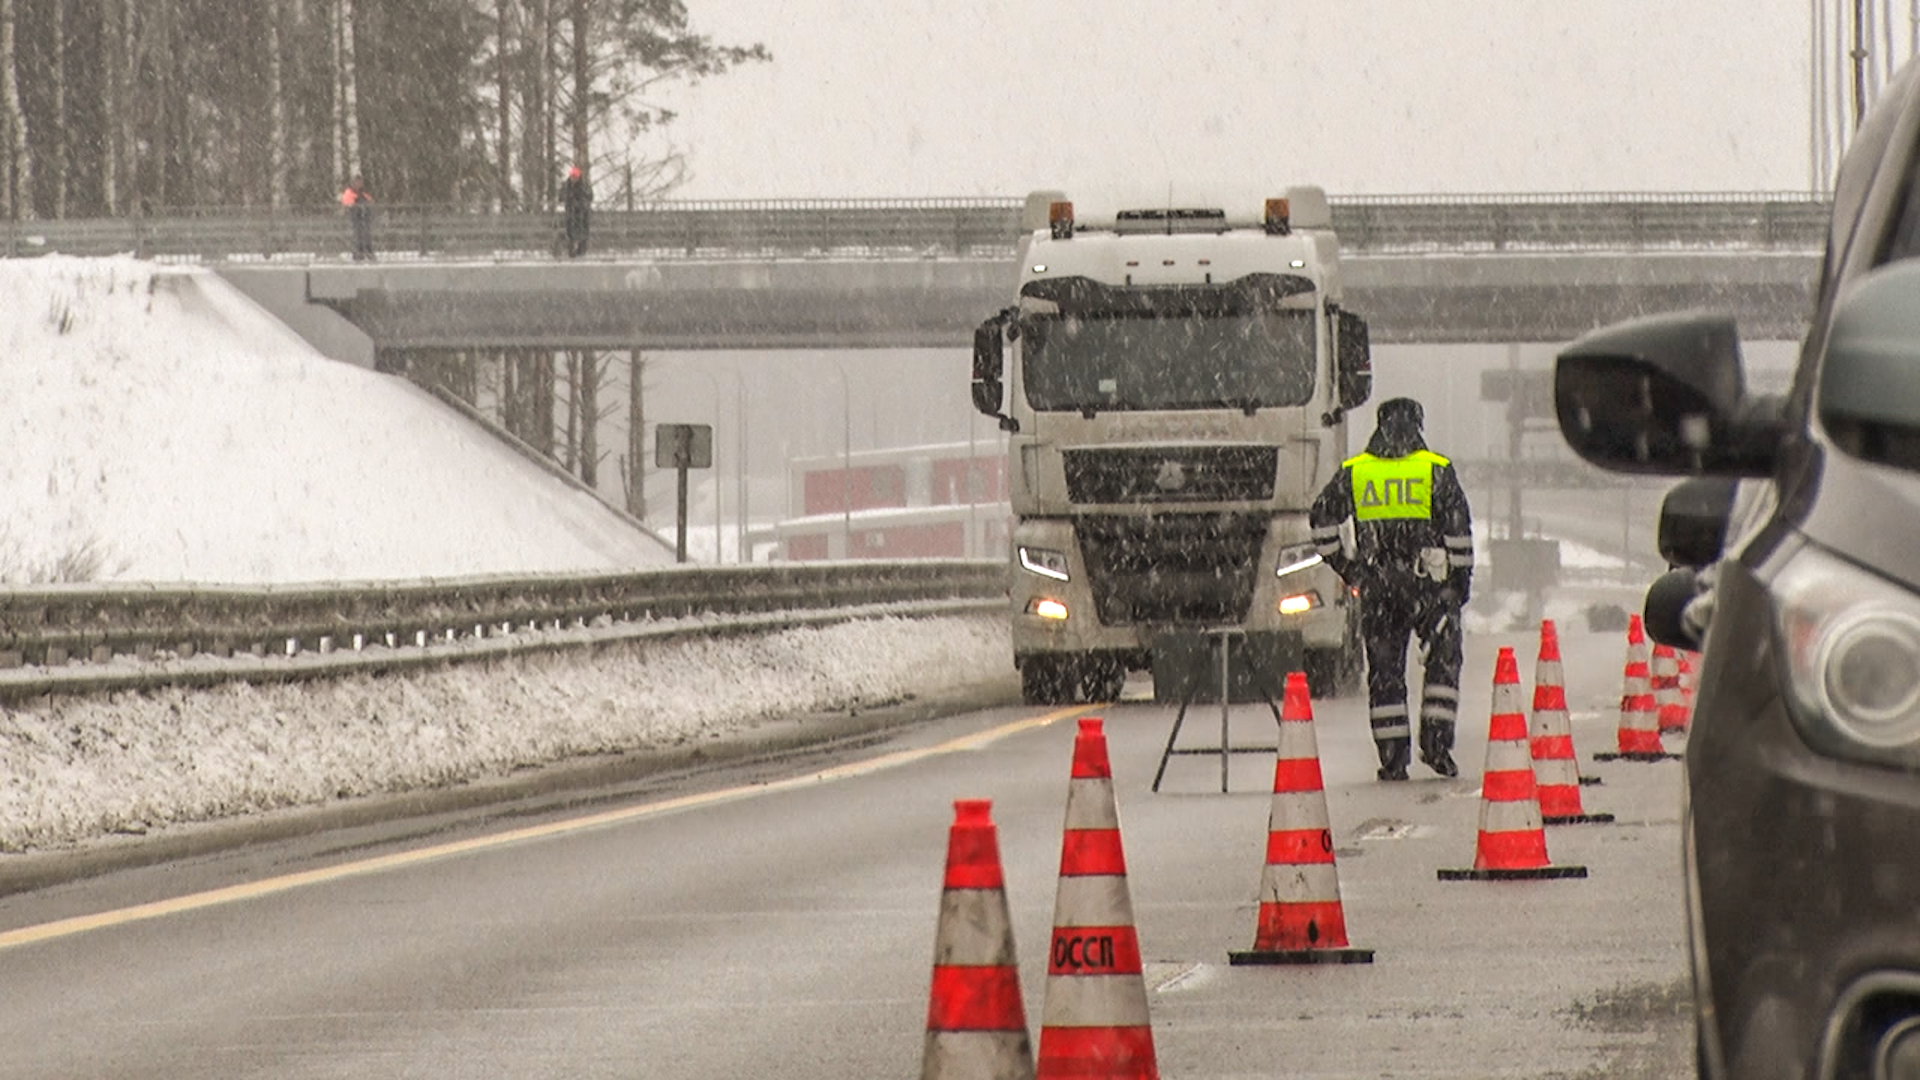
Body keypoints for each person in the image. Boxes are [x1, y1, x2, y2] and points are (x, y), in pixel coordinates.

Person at [1308, 397, 1475, 781]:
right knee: (1443, 664)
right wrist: (1458, 586)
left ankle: (1392, 759)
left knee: (1385, 674)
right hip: (1429, 587)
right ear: (1418, 426)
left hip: (1378, 587)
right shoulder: (1436, 470)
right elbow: (1459, 536)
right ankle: (1436, 746)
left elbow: (1320, 521)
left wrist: (1349, 569)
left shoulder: (1356, 472)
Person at [340, 175, 375, 261]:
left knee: (365, 235)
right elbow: (348, 204)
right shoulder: (349, 192)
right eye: (357, 182)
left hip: (363, 219)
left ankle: (367, 251)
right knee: (356, 235)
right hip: (354, 219)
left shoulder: (363, 193)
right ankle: (358, 253)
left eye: (360, 182)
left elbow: (371, 201)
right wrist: (357, 206)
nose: (359, 184)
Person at [561, 165, 592, 257]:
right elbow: (561, 196)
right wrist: (568, 199)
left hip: (582, 213)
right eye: (572, 176)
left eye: (575, 176)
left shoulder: (584, 186)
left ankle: (581, 250)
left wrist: (580, 203)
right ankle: (571, 251)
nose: (573, 178)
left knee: (582, 231)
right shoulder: (566, 186)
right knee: (570, 231)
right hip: (570, 212)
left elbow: (589, 196)